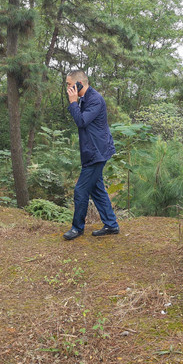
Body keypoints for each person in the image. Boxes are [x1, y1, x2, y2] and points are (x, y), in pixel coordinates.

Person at [63, 70, 120, 240]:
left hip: (97, 153)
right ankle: (111, 224)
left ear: (79, 84)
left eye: (69, 84)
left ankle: (77, 228)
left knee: (81, 190)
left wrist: (73, 102)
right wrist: (75, 102)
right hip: (91, 151)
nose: (67, 88)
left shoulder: (95, 99)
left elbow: (81, 121)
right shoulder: (84, 99)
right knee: (96, 189)